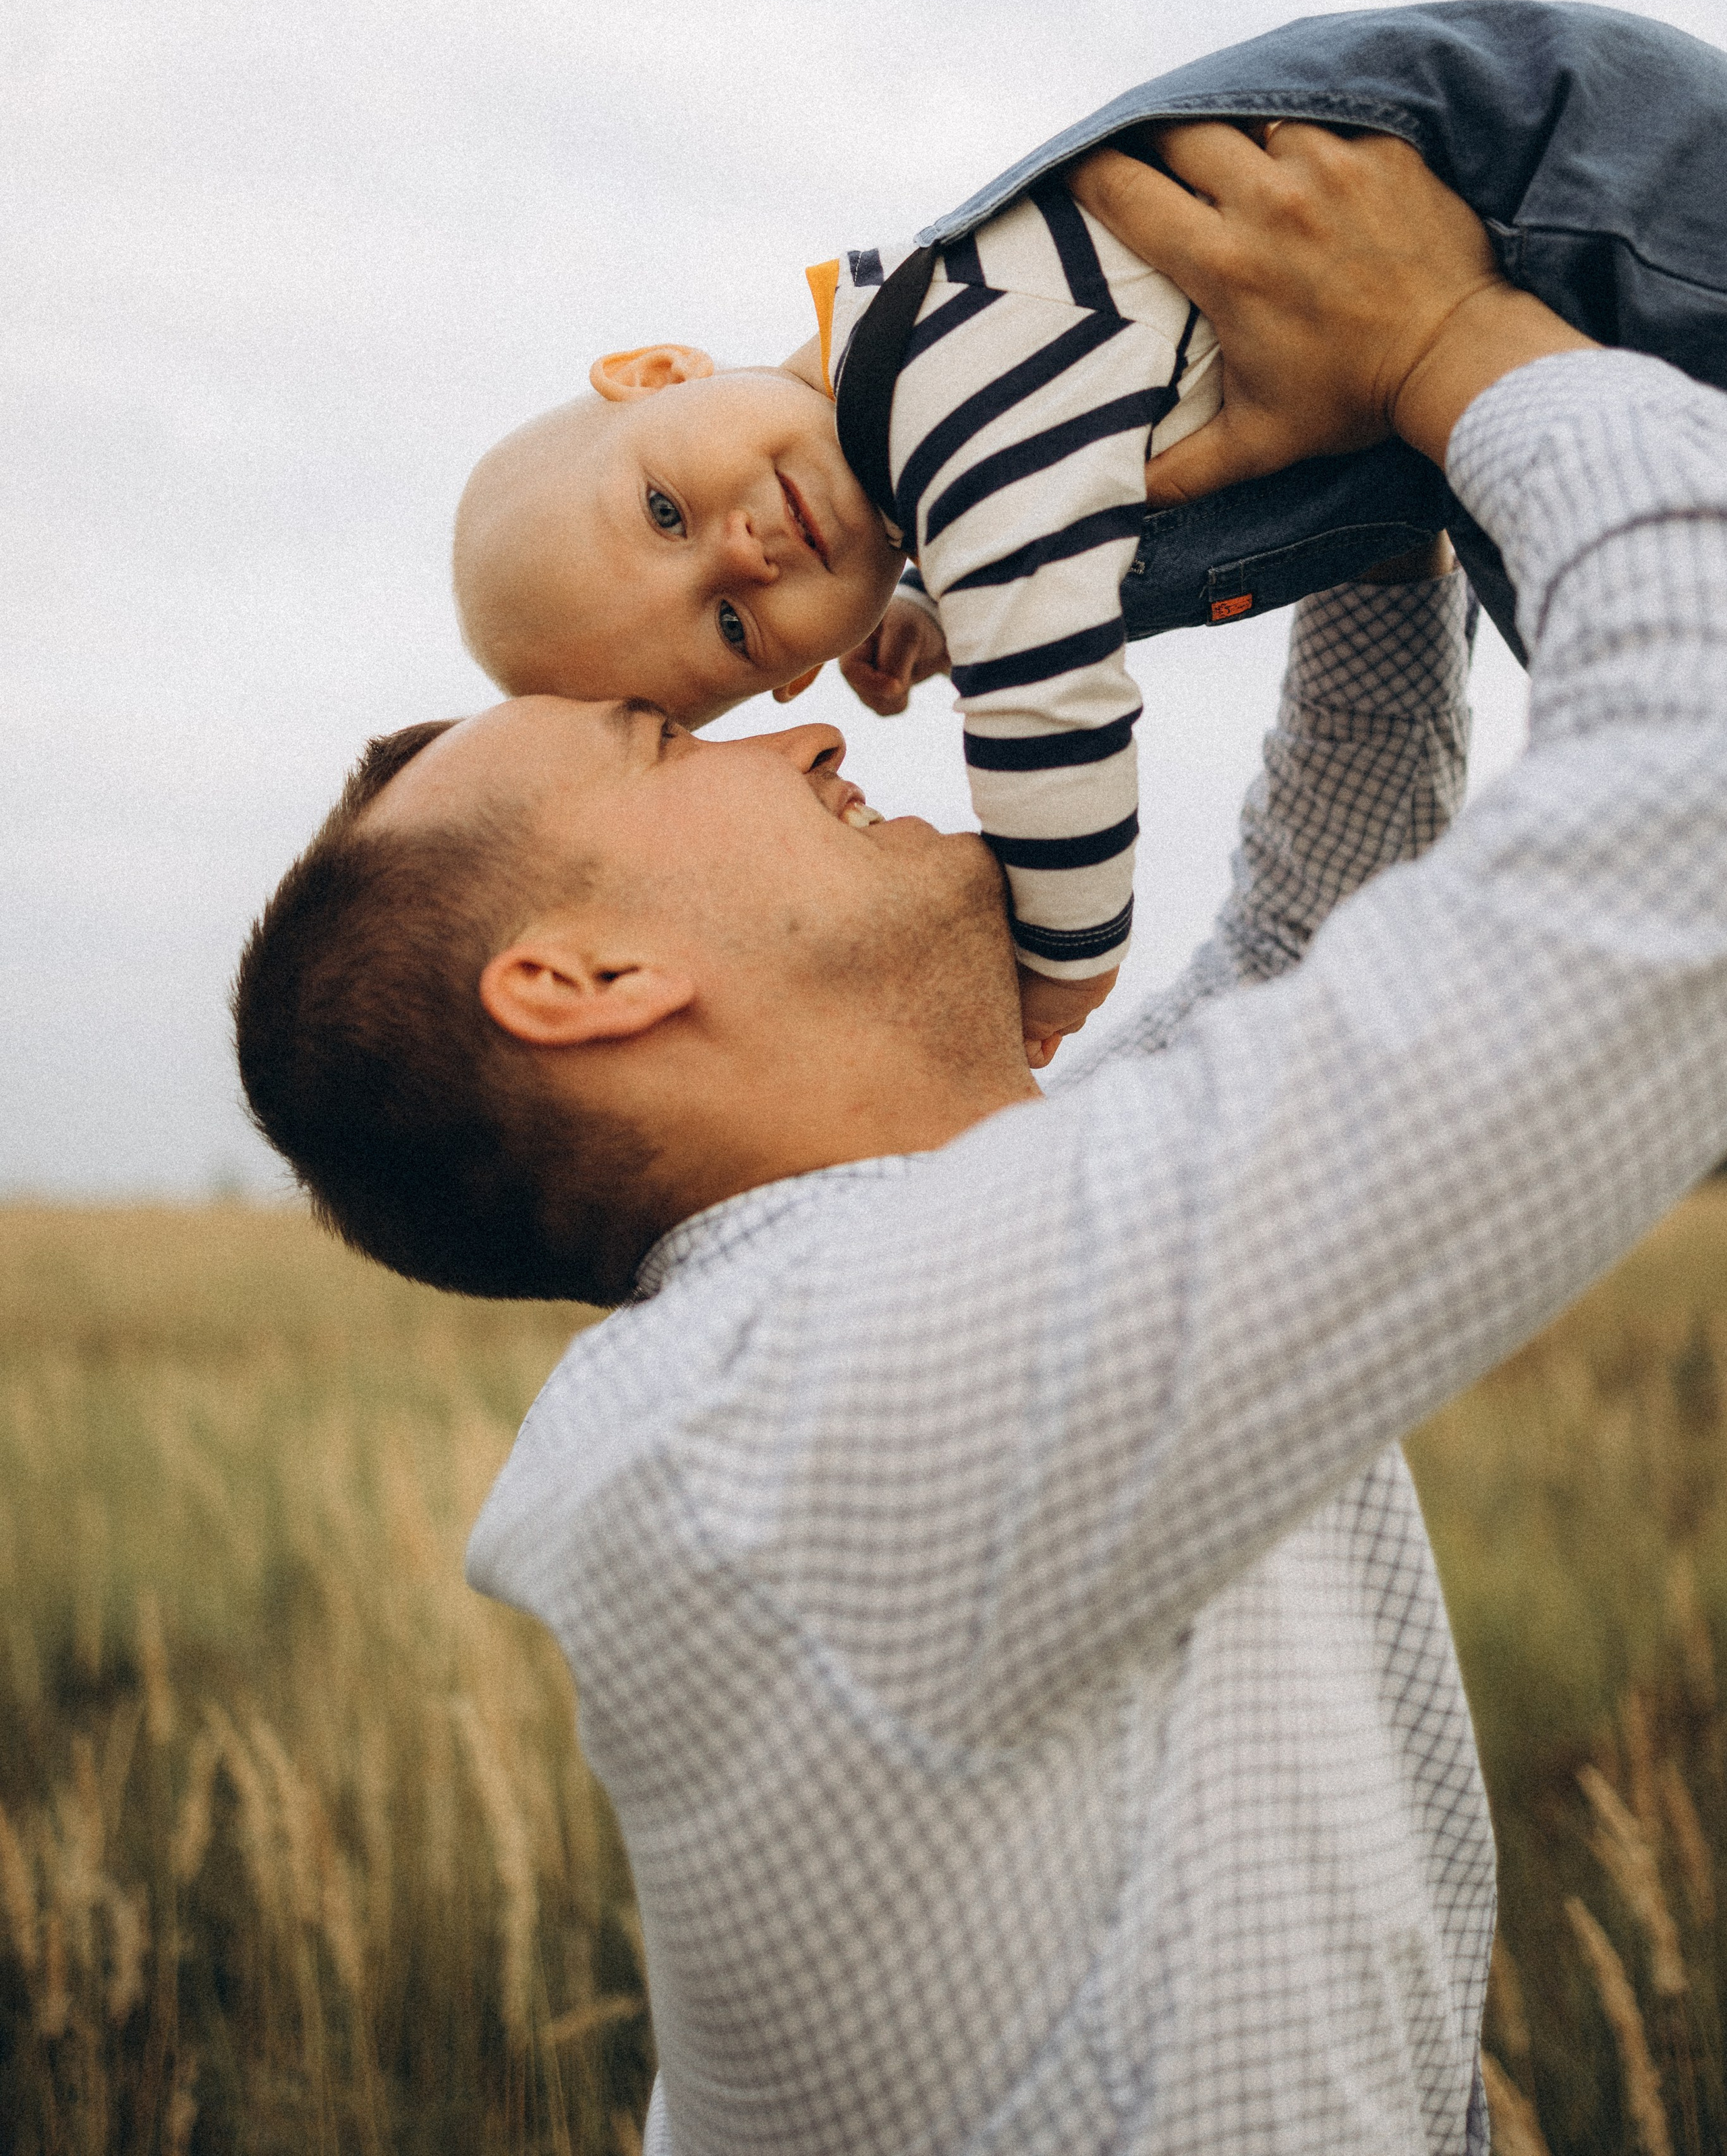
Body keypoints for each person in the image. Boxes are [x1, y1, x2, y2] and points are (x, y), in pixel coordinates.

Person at [233, 125, 1727, 2153]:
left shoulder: (906, 1267)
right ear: (579, 982)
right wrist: (1462, 343)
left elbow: (1317, 923)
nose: (818, 719)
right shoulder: (819, 1419)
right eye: (683, 729)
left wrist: (1351, 498)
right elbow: (1685, 844)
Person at [451, 0, 1727, 1064]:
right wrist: (935, 612)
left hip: (1593, 222)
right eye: (732, 627)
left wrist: (1057, 962)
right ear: (794, 672)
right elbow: (1037, 519)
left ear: (662, 367)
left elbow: (1048, 703)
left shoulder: (948, 402)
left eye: (664, 511)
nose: (741, 555)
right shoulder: (935, 395)